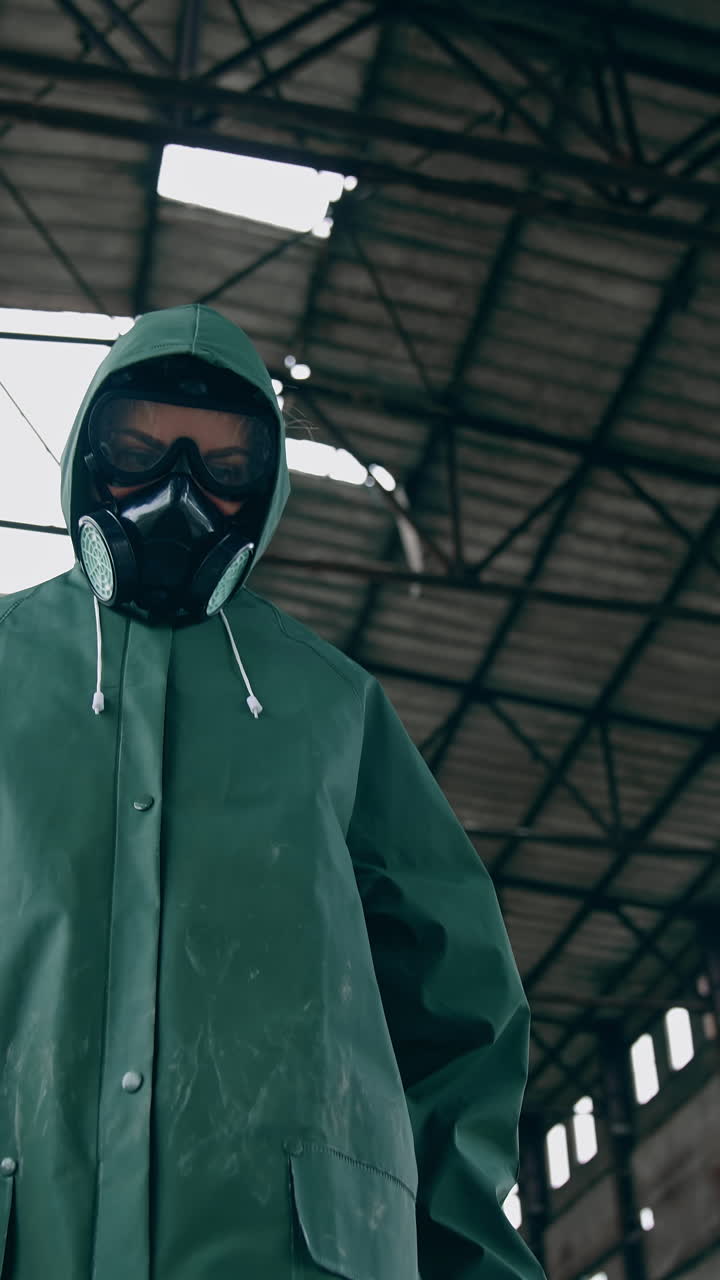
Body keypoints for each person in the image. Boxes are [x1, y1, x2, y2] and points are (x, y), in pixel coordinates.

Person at [0, 303, 545, 1279]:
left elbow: (461, 1007)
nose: (179, 492)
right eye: (139, 448)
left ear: (267, 488)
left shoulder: (332, 707)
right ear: (88, 453)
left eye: (223, 465)